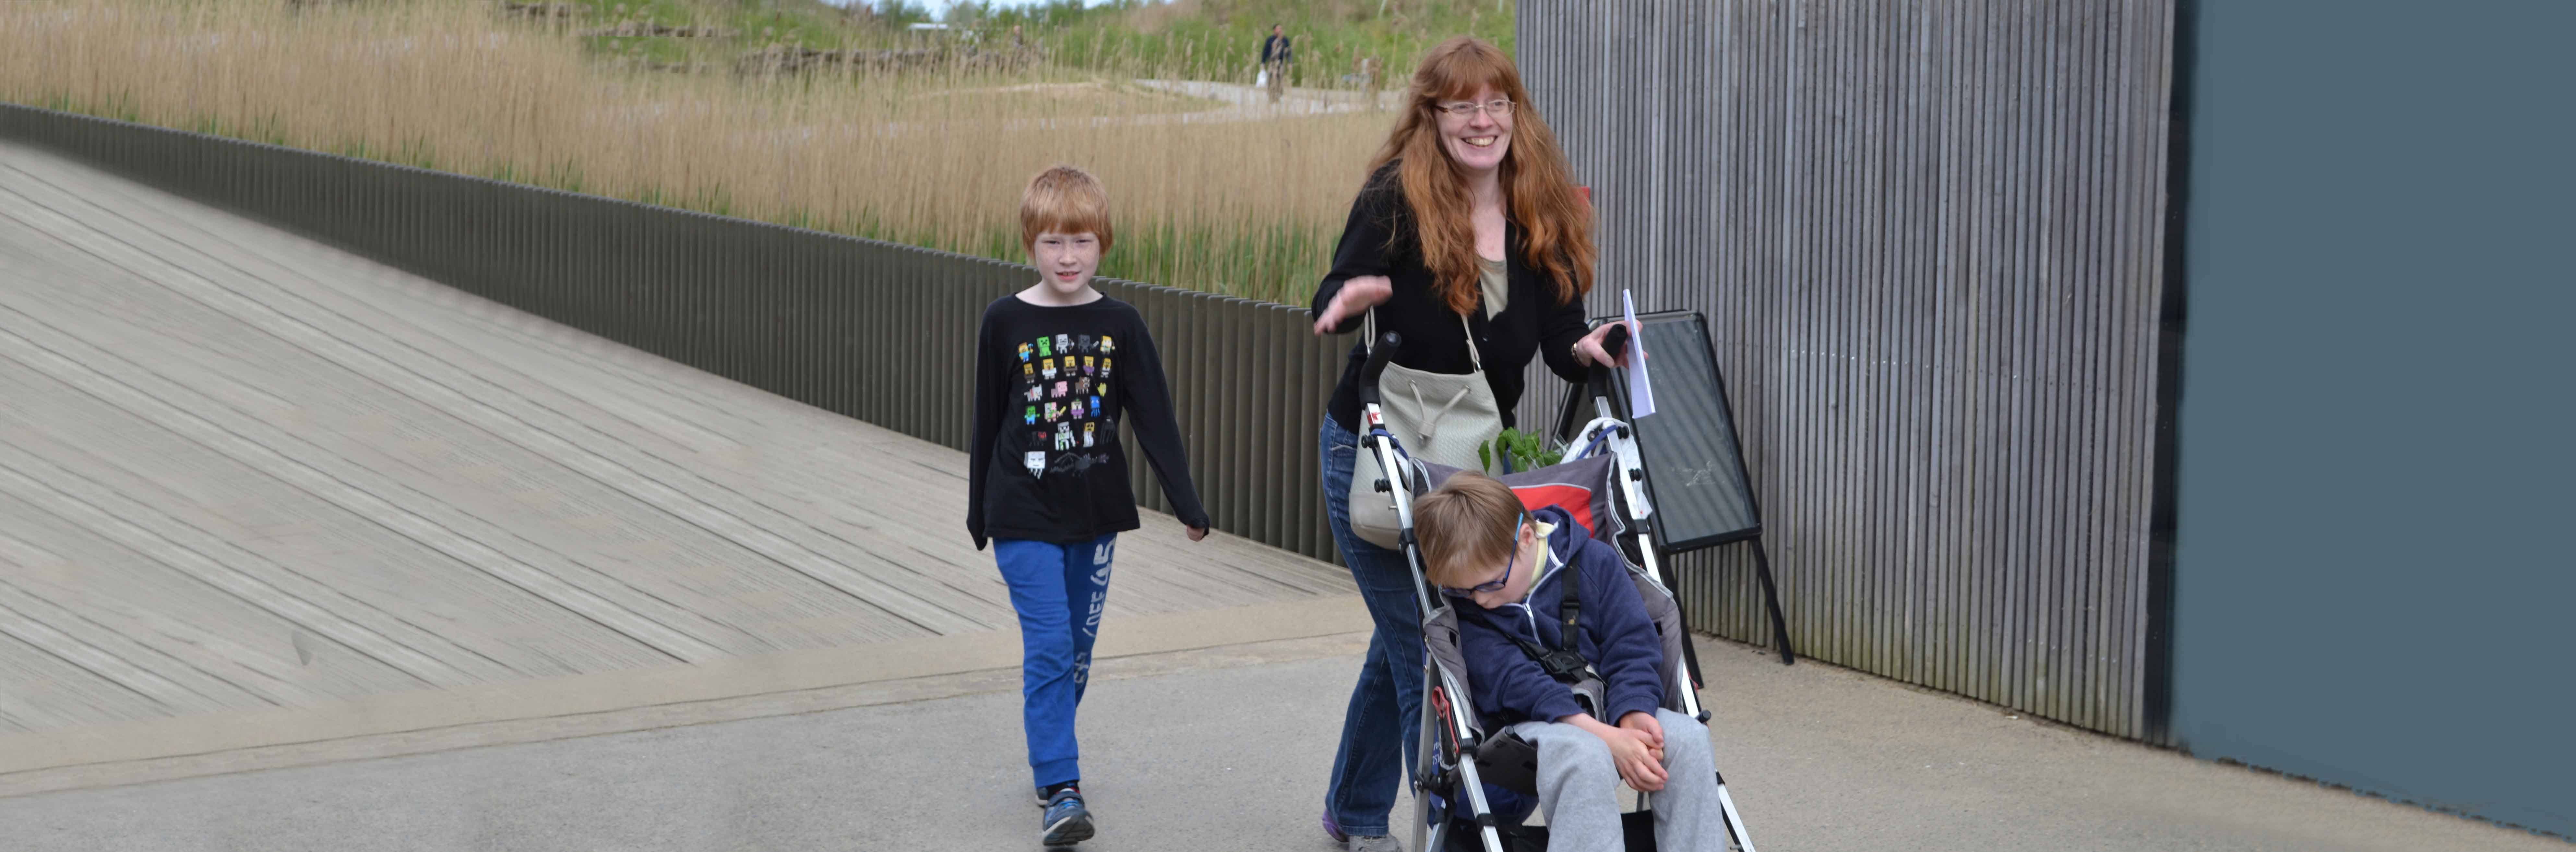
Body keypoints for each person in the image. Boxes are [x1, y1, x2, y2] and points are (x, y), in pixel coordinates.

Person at [1307, 35, 1628, 852]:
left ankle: (1350, 809)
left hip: (1472, 470)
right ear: (1433, 115)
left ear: (1514, 113)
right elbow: (1329, 297)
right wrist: (1352, 297)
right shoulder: (1395, 198)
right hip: (1377, 461)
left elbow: (1556, 329)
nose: (1480, 121)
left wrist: (1587, 347)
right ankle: (1466, 827)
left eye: (1495, 104)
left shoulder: (1538, 201)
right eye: (1461, 106)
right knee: (1432, 650)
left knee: (1406, 640)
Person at [967, 165, 1212, 848]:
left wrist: (1186, 500)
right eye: (1052, 242)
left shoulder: (1120, 324)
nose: (1067, 257)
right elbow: (987, 419)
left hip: (1096, 512)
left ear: (1102, 242)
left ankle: (1051, 752)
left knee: (1074, 652)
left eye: (1079, 241)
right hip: (1021, 509)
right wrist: (976, 510)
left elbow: (1153, 416)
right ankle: (1063, 784)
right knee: (1048, 643)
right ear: (1030, 245)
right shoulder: (1005, 320)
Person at [1413, 472, 1728, 852]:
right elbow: (1516, 682)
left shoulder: (1594, 562)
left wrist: (1634, 712)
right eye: (1464, 589)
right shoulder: (1468, 608)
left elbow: (1632, 642)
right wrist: (1607, 736)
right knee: (1584, 753)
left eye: (1490, 584)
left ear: (1527, 539)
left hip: (1608, 705)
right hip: (1524, 724)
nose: (1478, 599)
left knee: (1688, 739)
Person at [1260, 23, 1293, 104]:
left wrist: (1290, 62)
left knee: (1279, 79)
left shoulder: (1285, 40)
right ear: (1275, 30)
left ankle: (1278, 95)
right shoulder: (1270, 40)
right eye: (1279, 29)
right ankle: (1271, 95)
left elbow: (1289, 52)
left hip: (1281, 63)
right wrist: (1263, 63)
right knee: (1271, 79)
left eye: (1281, 29)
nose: (1280, 30)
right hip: (1272, 63)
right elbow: (1265, 52)